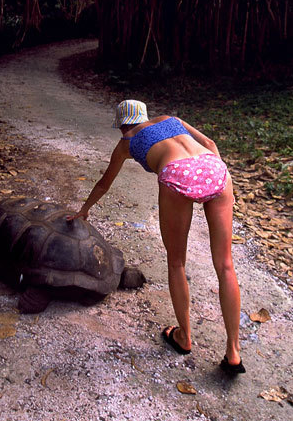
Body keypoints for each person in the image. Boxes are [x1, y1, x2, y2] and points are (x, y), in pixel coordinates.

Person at [69, 99, 245, 374]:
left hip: (177, 174)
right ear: (145, 115)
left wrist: (84, 210)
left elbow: (104, 183)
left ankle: (184, 337)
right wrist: (212, 176)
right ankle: (234, 352)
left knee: (177, 262)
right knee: (225, 265)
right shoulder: (170, 119)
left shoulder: (126, 143)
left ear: (122, 125)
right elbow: (210, 144)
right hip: (215, 169)